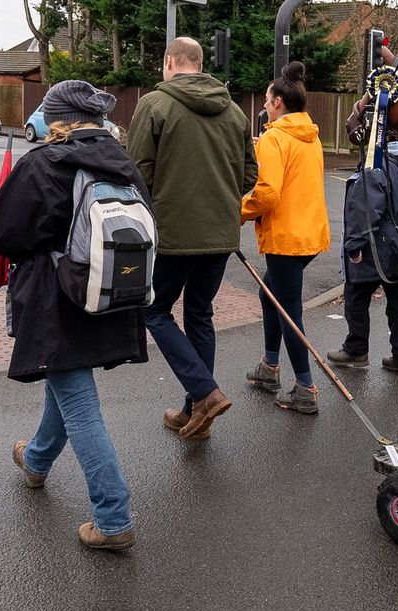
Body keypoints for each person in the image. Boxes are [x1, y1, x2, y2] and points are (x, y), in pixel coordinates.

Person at [0, 80, 149, 551]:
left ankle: (113, 520)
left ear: (58, 119)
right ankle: (35, 461)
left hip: (57, 302)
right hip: (109, 295)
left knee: (78, 402)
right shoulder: (122, 162)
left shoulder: (45, 163)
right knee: (66, 378)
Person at [128, 37, 257, 439]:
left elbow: (136, 174)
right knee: (200, 314)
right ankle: (195, 413)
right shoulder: (234, 112)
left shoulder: (154, 104)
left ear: (169, 62)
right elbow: (250, 175)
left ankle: (205, 392)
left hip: (171, 235)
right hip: (220, 235)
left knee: (154, 310)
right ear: (200, 64)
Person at [243, 62, 330, 414]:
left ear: (278, 101)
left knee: (288, 310)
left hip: (285, 238)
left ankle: (305, 387)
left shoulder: (275, 138)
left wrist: (236, 211)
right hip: (310, 234)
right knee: (270, 293)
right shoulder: (311, 136)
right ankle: (269, 366)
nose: (264, 104)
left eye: (266, 99)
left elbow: (267, 194)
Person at [326, 139, 398, 375]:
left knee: (356, 296)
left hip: (375, 247)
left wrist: (354, 245)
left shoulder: (377, 163)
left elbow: (365, 207)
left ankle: (356, 350)